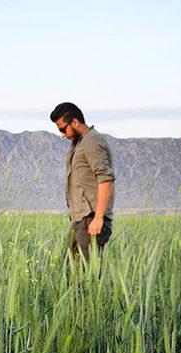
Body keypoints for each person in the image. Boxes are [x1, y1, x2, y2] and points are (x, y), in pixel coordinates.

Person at [50, 102, 115, 261]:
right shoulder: (79, 144)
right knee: (71, 274)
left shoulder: (92, 141)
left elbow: (105, 179)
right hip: (81, 220)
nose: (62, 134)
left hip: (91, 219)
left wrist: (98, 218)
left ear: (75, 122)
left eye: (62, 129)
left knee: (86, 276)